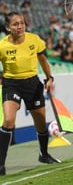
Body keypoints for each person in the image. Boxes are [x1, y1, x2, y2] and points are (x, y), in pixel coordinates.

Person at [0, 12, 61, 176]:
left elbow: (43, 60)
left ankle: (44, 154)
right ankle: (0, 164)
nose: (19, 26)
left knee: (41, 123)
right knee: (8, 120)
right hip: (11, 84)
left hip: (32, 83)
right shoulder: (2, 46)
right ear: (7, 27)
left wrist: (49, 78)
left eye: (22, 23)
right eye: (15, 24)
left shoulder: (34, 40)